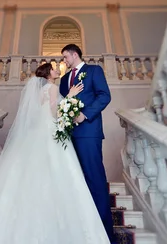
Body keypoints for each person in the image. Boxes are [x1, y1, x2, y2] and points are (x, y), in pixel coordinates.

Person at [0, 62, 109, 243]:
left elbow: (42, 111)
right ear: (48, 74)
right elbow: (53, 113)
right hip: (50, 130)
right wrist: (70, 97)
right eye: (54, 68)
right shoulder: (52, 87)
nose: (57, 70)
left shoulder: (40, 90)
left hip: (40, 131)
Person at [60, 44, 115, 242]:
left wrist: (85, 115)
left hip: (88, 133)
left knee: (94, 179)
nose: (64, 61)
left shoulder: (93, 71)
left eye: (66, 57)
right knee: (74, 180)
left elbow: (104, 96)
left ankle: (103, 233)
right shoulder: (64, 79)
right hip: (68, 135)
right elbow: (61, 103)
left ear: (75, 55)